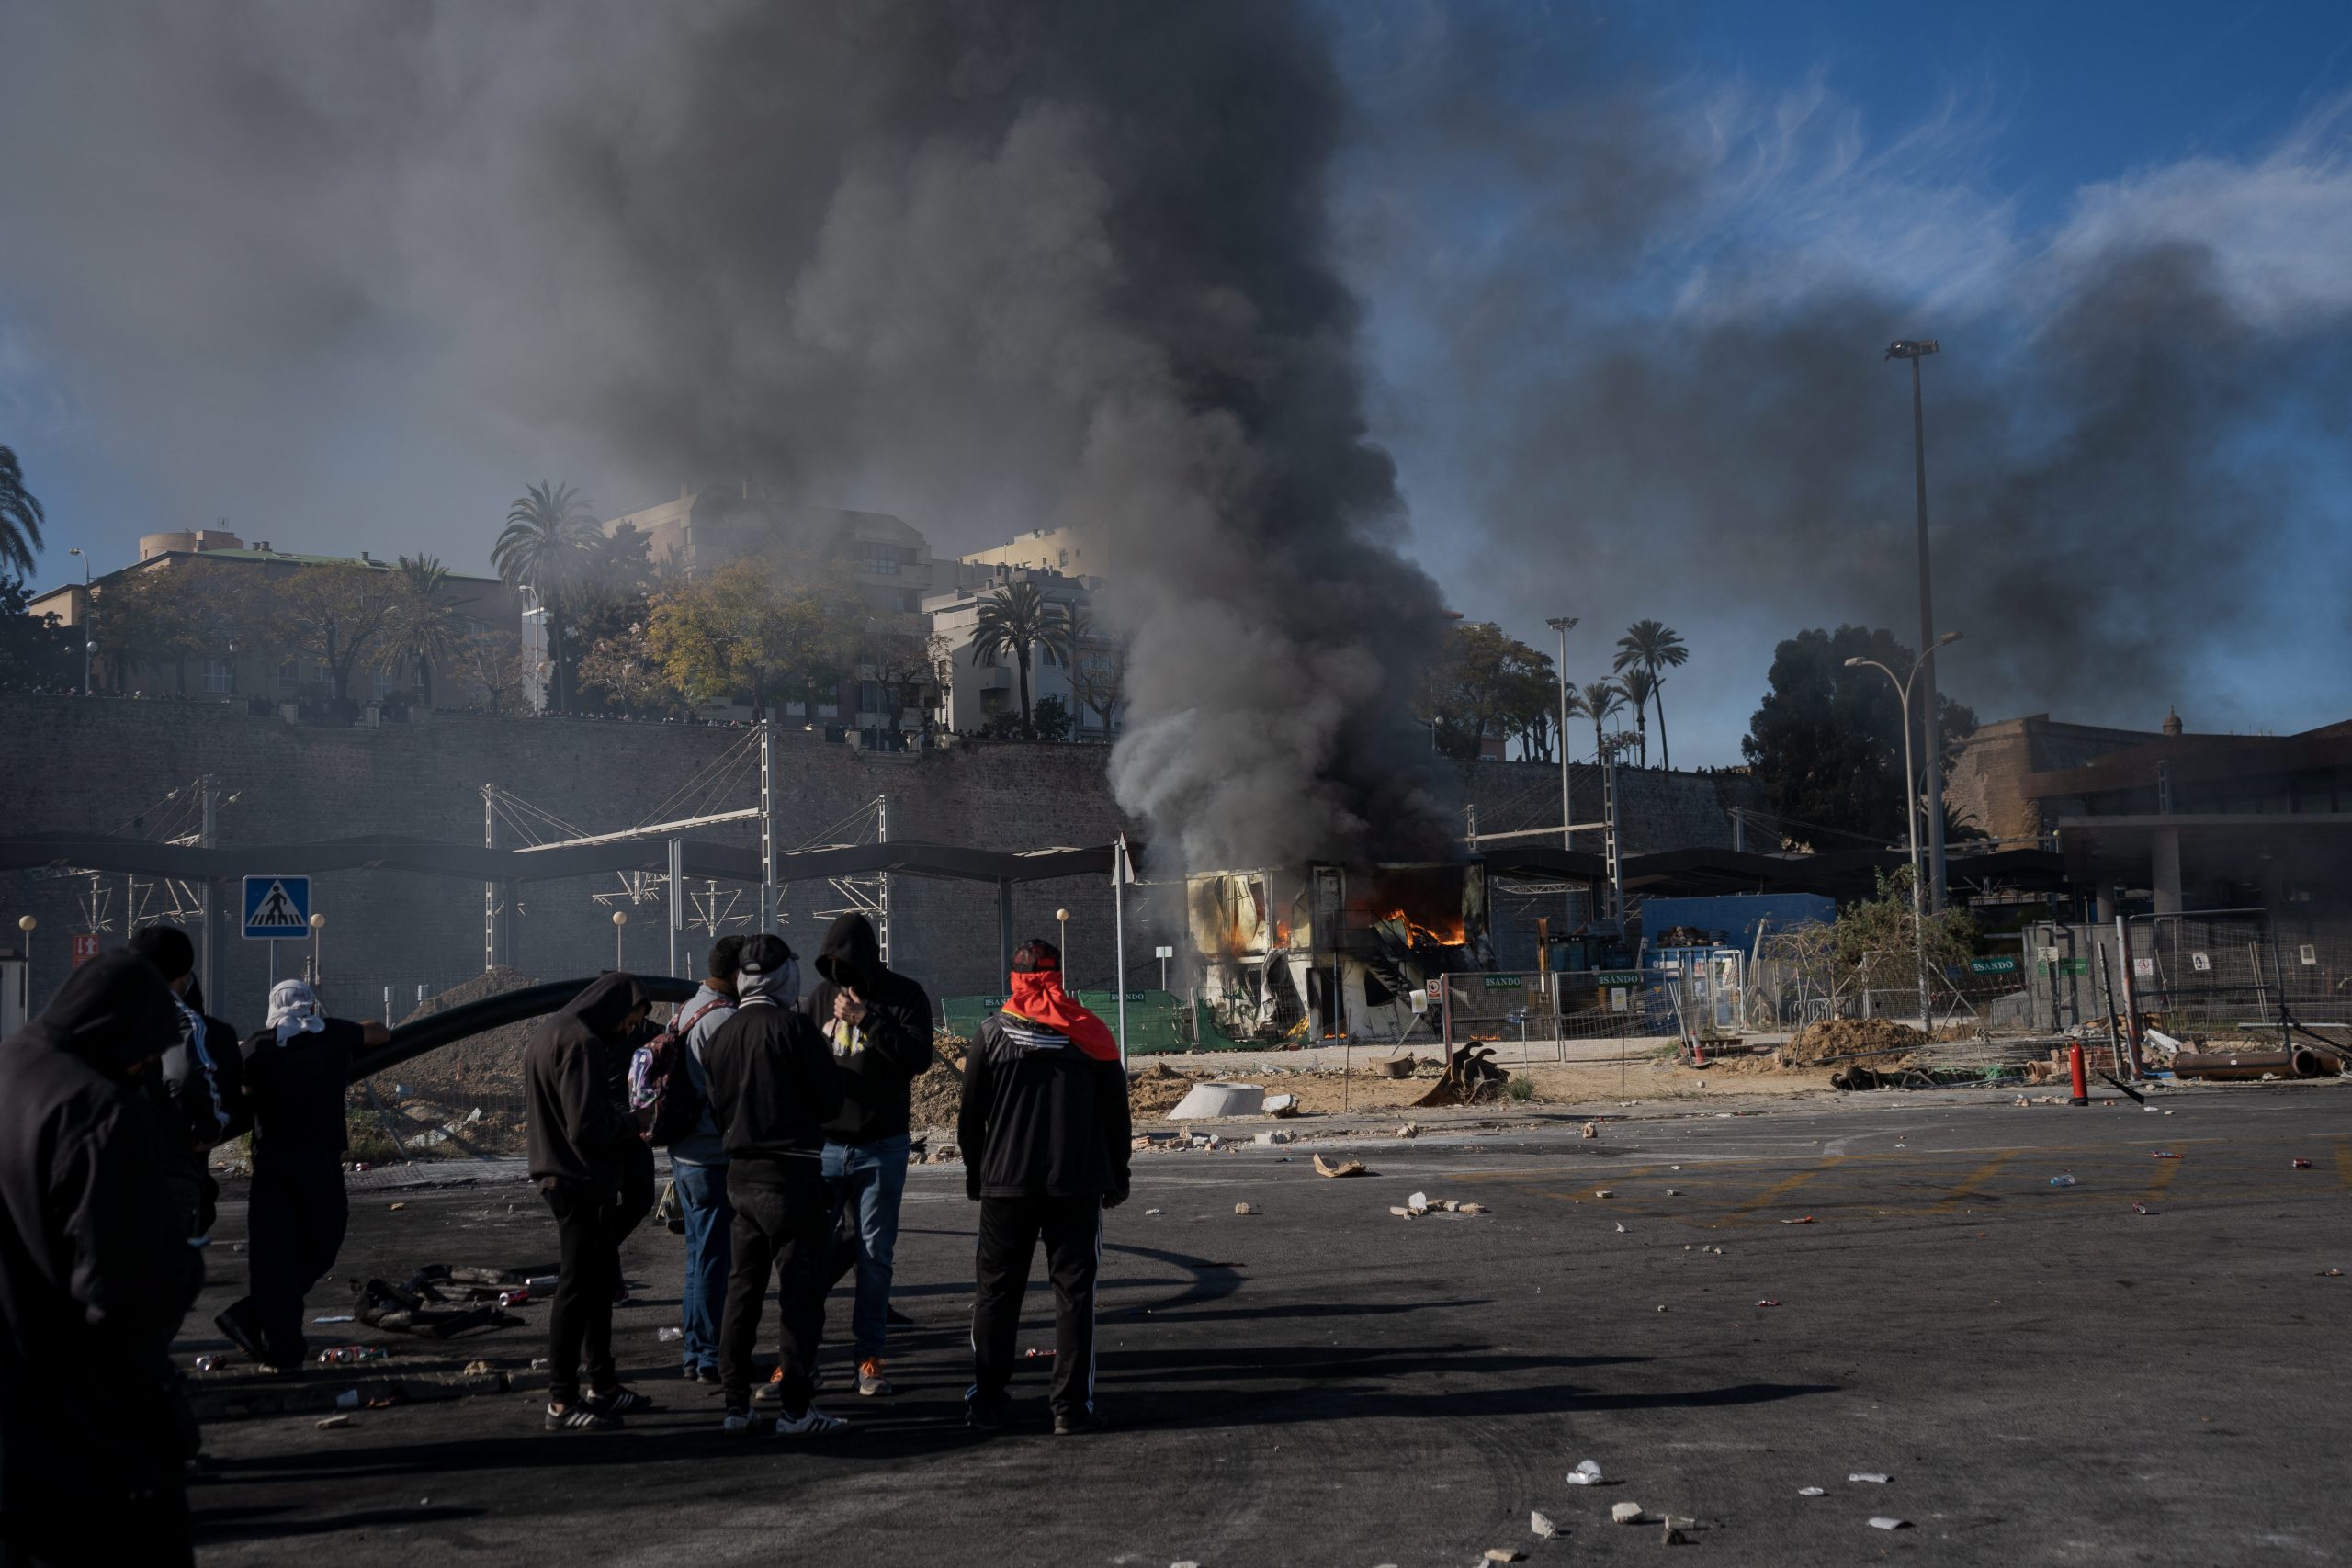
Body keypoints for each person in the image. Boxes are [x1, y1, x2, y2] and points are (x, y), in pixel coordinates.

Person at [0, 951, 206, 1566]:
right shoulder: (98, 1111)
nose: (144, 1065)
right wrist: (183, 1261)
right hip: (84, 1427)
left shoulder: (10, 1070)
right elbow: (124, 1291)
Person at [959, 939, 1130, 1436]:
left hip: (1005, 1185)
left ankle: (989, 1402)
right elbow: (1116, 1117)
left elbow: (971, 1120)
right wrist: (1118, 1175)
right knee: (1075, 1296)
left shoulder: (990, 1035)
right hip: (1075, 1185)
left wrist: (977, 1174)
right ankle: (1070, 1408)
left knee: (995, 1294)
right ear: (1058, 976)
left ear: (1013, 979)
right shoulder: (1091, 1035)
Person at [702, 934, 845, 1436]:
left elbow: (717, 1107)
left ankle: (736, 1405)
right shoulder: (796, 1029)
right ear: (785, 975)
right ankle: (796, 1409)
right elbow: (830, 1104)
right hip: (792, 1179)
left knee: (741, 1293)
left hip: (740, 1178)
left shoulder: (721, 1033)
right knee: (799, 1298)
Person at [215, 980, 389, 1371]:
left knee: (272, 1257)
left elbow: (232, 1086)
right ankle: (259, 1326)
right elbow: (380, 1031)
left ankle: (279, 1343)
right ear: (310, 1005)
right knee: (322, 1245)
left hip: (272, 1165)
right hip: (320, 1163)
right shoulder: (332, 1035)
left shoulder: (256, 1047)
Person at [806, 913, 933, 1398]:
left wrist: (867, 1020)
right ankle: (797, 1358)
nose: (839, 975)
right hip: (825, 1147)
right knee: (809, 1254)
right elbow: (804, 1061)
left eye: (846, 963)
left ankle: (869, 1357)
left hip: (881, 1144)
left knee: (875, 1255)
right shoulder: (820, 997)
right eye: (831, 965)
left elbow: (918, 1058)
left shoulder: (905, 995)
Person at [523, 972, 655, 1431]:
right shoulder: (582, 1044)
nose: (628, 1030)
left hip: (559, 1172)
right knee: (577, 1288)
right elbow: (586, 1125)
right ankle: (561, 1401)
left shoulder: (550, 1031)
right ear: (614, 1008)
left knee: (596, 1285)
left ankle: (603, 1384)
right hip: (578, 1179)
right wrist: (633, 1120)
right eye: (630, 1020)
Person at [126, 925, 243, 1239]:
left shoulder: (104, 1014)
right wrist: (207, 1129)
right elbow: (186, 1072)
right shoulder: (180, 1019)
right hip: (168, 1167)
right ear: (184, 974)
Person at [668, 936, 743, 1383]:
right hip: (712, 1155)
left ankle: (694, 1351)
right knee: (716, 1259)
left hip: (684, 1154)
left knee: (697, 1257)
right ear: (736, 974)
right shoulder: (724, 1021)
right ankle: (710, 1352)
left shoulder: (684, 1010)